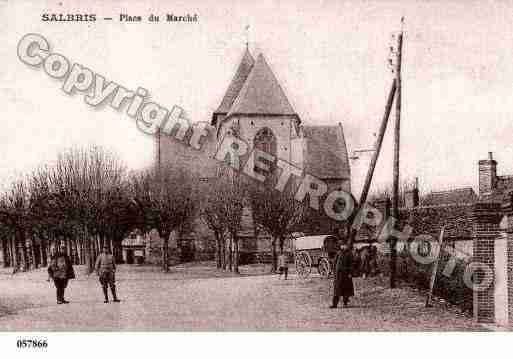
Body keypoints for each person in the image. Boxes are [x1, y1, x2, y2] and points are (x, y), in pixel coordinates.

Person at [330, 240, 354, 308]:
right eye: (342, 245)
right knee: (337, 290)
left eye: (344, 245)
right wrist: (334, 272)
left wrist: (350, 273)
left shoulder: (349, 253)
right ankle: (334, 304)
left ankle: (345, 303)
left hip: (346, 274)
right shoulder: (338, 253)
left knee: (346, 290)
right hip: (338, 275)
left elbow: (351, 264)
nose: (343, 246)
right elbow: (335, 263)